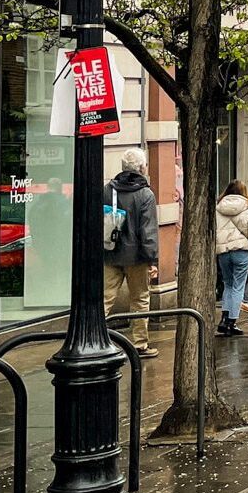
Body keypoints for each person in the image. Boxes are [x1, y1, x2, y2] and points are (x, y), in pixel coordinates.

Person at [104, 148, 160, 358]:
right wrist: (152, 259)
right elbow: (148, 230)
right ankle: (139, 344)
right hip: (136, 256)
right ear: (142, 168)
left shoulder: (108, 189)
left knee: (105, 298)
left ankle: (95, 337)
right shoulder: (145, 194)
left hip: (110, 251)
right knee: (140, 299)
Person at [214, 180, 248, 336]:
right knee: (238, 286)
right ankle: (231, 321)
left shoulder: (218, 208)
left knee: (227, 284)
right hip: (241, 250)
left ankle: (224, 318)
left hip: (223, 250)